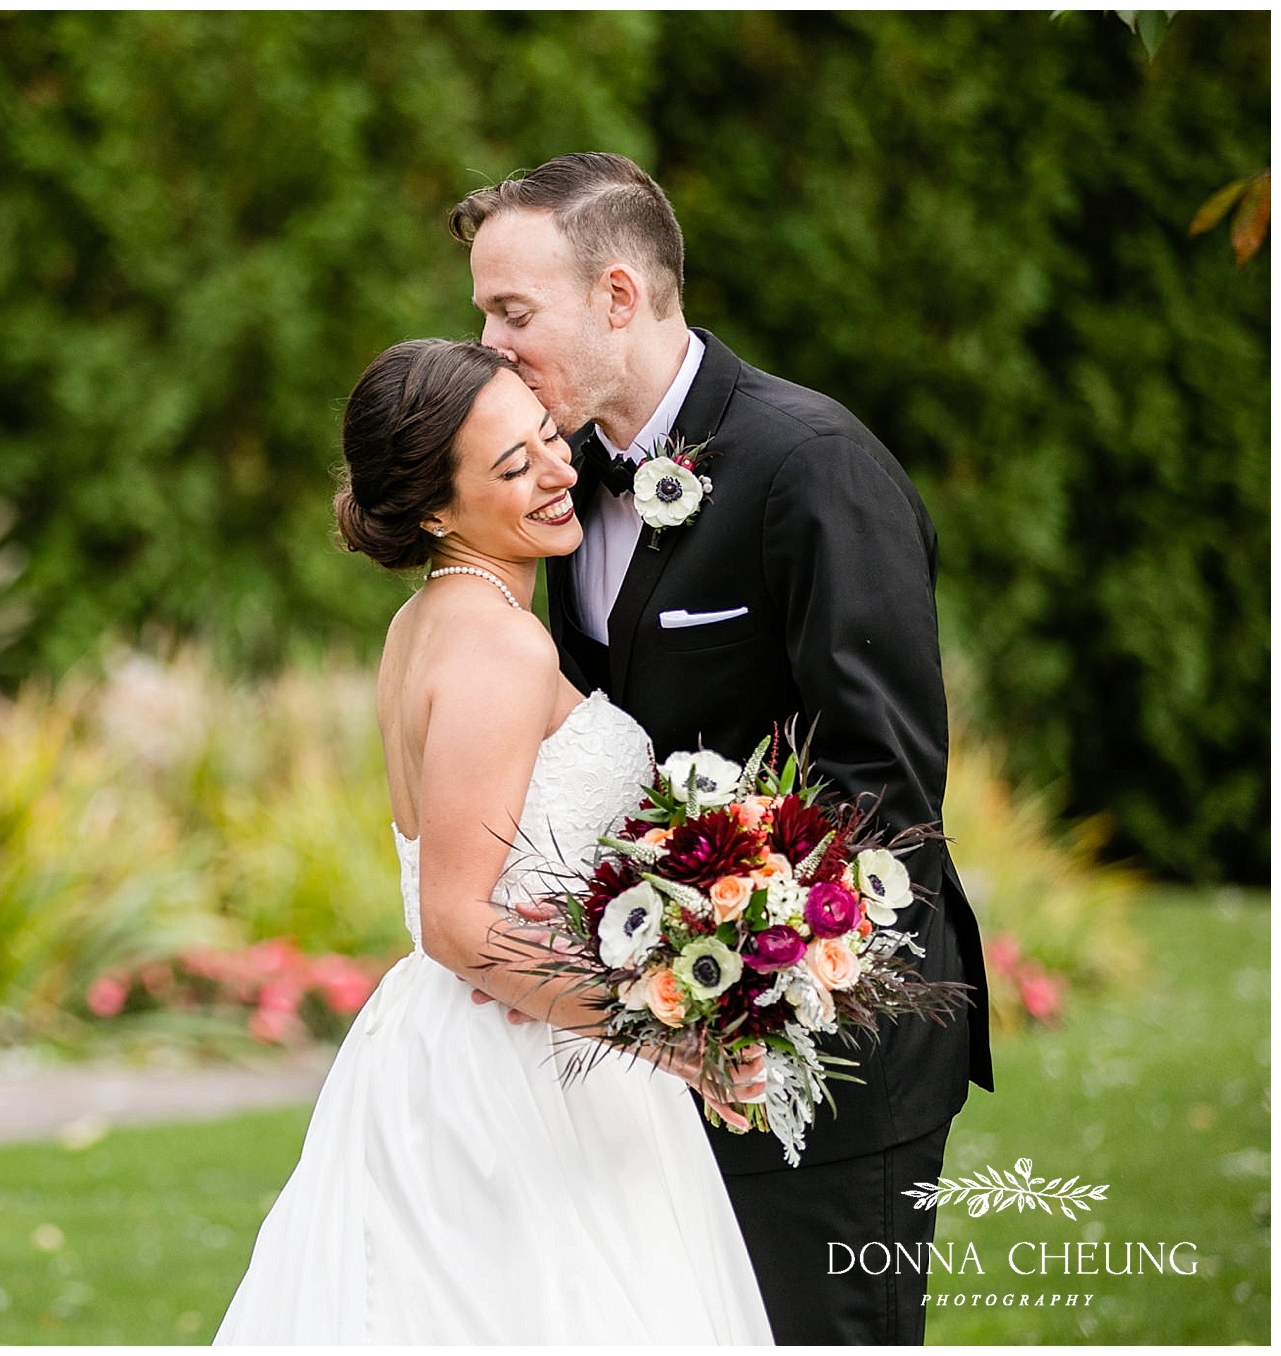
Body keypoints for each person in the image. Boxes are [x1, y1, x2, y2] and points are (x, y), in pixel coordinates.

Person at [450, 151, 993, 1345]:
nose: (488, 344)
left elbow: (879, 784)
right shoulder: (563, 486)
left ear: (616, 296)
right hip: (655, 1058)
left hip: (829, 1053)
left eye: (511, 312)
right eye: (482, 312)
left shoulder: (812, 465)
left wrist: (738, 973)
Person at [214, 338, 773, 1345]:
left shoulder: (425, 622)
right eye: (515, 467)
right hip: (515, 1071)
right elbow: (455, 920)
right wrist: (674, 1038)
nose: (560, 472)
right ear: (436, 510)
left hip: (467, 1037)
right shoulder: (500, 645)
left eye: (549, 438)